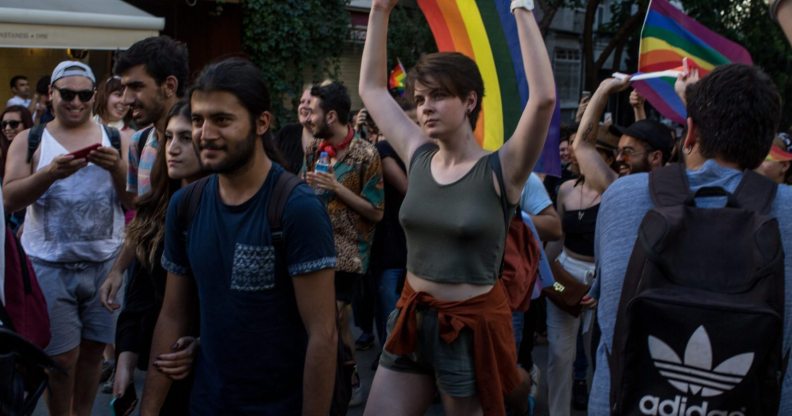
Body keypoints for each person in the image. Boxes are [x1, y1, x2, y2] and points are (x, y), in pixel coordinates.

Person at [359, 0, 556, 414]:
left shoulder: (503, 169)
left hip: (470, 331)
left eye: (438, 96)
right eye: (419, 98)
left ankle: (524, 390)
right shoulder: (417, 154)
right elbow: (372, 90)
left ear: (469, 101)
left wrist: (521, 7)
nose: (424, 107)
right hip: (410, 319)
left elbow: (542, 99)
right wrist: (379, 10)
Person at [588, 63, 792, 414]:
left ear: (691, 132)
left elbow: (600, 301)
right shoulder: (786, 211)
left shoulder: (622, 197)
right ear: (764, 149)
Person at [140, 58, 337, 415]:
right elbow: (172, 316)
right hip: (204, 403)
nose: (205, 133)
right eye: (198, 119)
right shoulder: (186, 205)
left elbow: (323, 336)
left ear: (262, 123)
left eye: (222, 120)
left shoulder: (297, 208)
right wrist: (149, 409)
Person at [2, 60, 130, 416]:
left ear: (94, 96)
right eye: (67, 94)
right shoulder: (31, 139)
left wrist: (118, 168)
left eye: (85, 95)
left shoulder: (118, 138)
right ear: (51, 94)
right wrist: (49, 175)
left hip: (104, 264)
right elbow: (10, 198)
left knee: (92, 352)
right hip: (48, 265)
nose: (76, 102)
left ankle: (83, 413)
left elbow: (135, 201)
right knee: (59, 358)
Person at [102, 100, 201, 414]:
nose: (172, 148)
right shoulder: (159, 203)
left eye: (185, 138)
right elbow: (141, 289)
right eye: (168, 138)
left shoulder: (230, 210)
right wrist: (126, 357)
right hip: (165, 363)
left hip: (222, 372)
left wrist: (202, 343)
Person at [302, 80, 384, 406]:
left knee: (331, 318)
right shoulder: (312, 150)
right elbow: (301, 188)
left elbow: (376, 212)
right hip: (314, 247)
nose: (308, 119)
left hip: (349, 253)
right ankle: (345, 376)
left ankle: (341, 383)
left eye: (314, 113)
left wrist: (336, 188)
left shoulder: (367, 153)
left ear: (332, 116)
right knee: (333, 322)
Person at [100, 35, 190, 312]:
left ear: (169, 85)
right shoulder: (140, 142)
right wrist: (118, 270)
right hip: (148, 280)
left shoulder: (203, 142)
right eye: (124, 87)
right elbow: (143, 217)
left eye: (136, 86)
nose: (127, 99)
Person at [572, 77, 674, 193]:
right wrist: (603, 90)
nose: (619, 158)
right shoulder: (616, 187)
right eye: (619, 151)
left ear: (655, 157)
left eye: (628, 151)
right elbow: (582, 146)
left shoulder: (673, 192)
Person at [1, 106, 33, 233]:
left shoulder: (36, 151)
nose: (7, 128)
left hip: (28, 221)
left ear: (25, 124)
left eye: (13, 124)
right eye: (4, 124)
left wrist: (27, 223)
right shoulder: (2, 152)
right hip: (5, 222)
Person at [273, 85, 313, 174]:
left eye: (309, 102)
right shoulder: (287, 133)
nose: (304, 106)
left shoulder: (327, 139)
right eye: (302, 102)